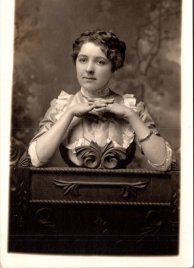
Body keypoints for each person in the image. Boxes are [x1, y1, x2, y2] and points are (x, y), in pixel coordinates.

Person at [28, 30, 173, 170]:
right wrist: (70, 113)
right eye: (83, 60)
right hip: (71, 191)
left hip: (122, 192)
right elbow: (36, 158)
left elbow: (163, 162)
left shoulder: (131, 108)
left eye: (100, 62)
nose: (89, 69)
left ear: (113, 66)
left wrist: (131, 115)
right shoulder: (61, 106)